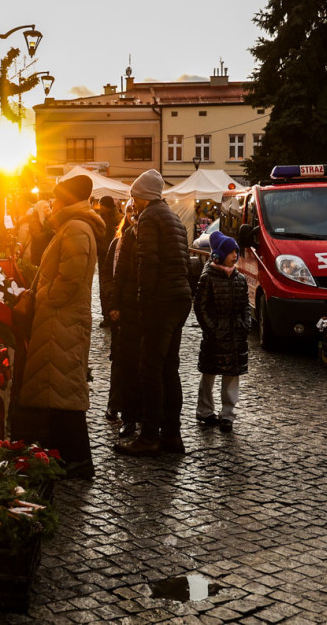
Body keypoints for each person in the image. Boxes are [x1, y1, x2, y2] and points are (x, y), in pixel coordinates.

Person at [11, 174, 105, 479]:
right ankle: (65, 456)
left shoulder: (76, 227)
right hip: (57, 320)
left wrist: (44, 296)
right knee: (58, 391)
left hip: (61, 320)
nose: (51, 203)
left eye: (56, 197)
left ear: (66, 198)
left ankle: (79, 460)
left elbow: (71, 279)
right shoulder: (70, 225)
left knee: (66, 393)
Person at [115, 169, 192, 457]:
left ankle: (149, 437)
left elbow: (148, 263)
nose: (132, 201)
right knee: (169, 368)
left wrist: (144, 303)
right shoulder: (172, 216)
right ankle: (172, 434)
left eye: (134, 195)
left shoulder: (149, 218)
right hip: (179, 299)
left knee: (149, 370)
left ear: (140, 196)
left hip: (160, 301)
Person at [193, 231, 250, 433]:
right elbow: (200, 307)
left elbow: (245, 306)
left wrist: (245, 325)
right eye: (231, 252)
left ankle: (227, 415)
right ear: (219, 254)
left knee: (232, 376)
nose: (235, 255)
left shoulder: (240, 279)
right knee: (208, 374)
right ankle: (205, 411)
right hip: (215, 336)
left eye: (236, 251)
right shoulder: (208, 277)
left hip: (235, 337)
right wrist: (212, 329)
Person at [106, 200, 140, 433]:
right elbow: (108, 275)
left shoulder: (142, 240)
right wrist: (111, 304)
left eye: (135, 210)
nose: (132, 213)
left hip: (136, 309)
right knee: (118, 359)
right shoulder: (117, 242)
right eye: (129, 210)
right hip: (121, 308)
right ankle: (114, 404)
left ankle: (133, 408)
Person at [94, 197, 120, 327]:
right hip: (106, 256)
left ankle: (110, 314)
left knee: (108, 286)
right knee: (106, 287)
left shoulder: (114, 219)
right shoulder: (106, 218)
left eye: (101, 205)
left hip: (109, 257)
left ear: (105, 206)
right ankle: (108, 315)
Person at [17, 199, 52, 266]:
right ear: (39, 210)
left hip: (44, 256)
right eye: (45, 208)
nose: (47, 209)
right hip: (31, 256)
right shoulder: (30, 222)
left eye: (48, 207)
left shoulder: (48, 221)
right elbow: (21, 240)